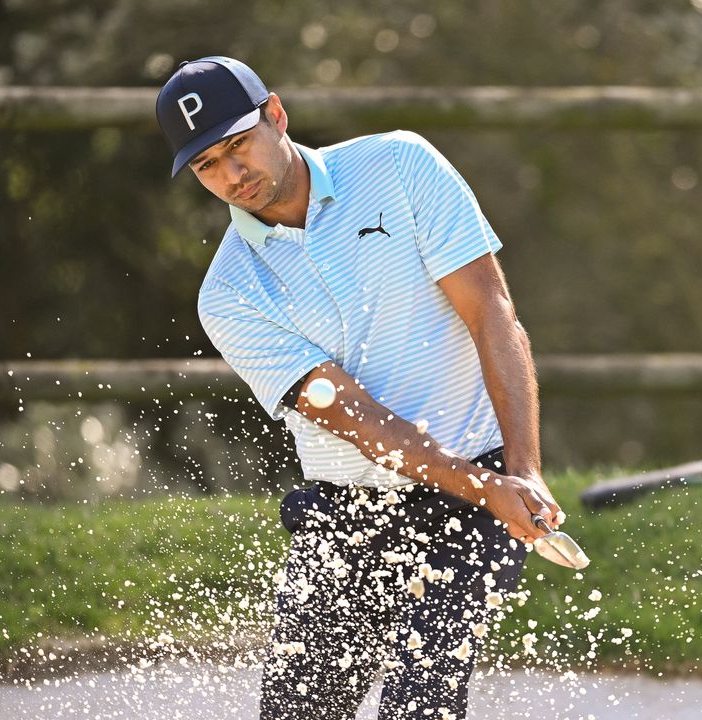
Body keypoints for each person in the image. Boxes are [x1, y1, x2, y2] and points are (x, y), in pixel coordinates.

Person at [156, 56, 564, 720]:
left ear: (277, 115)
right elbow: (355, 418)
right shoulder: (228, 295)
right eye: (208, 166)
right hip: (347, 515)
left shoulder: (401, 166)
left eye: (239, 145)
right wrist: (489, 486)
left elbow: (493, 313)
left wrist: (521, 474)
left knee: (418, 704)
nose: (233, 175)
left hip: (477, 498)